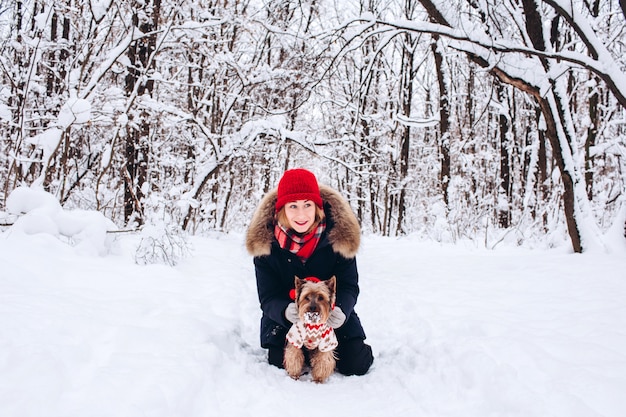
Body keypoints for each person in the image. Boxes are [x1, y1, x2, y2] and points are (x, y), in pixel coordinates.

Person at [245, 168, 374, 376]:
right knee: (281, 361)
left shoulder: (339, 237)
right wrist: (285, 312)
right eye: (293, 206)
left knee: (355, 363)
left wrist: (341, 309)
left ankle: (334, 350)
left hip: (330, 315)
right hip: (286, 321)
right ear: (282, 209)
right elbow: (267, 296)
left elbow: (349, 285)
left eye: (307, 205)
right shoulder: (266, 244)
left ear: (317, 207)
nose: (301, 214)